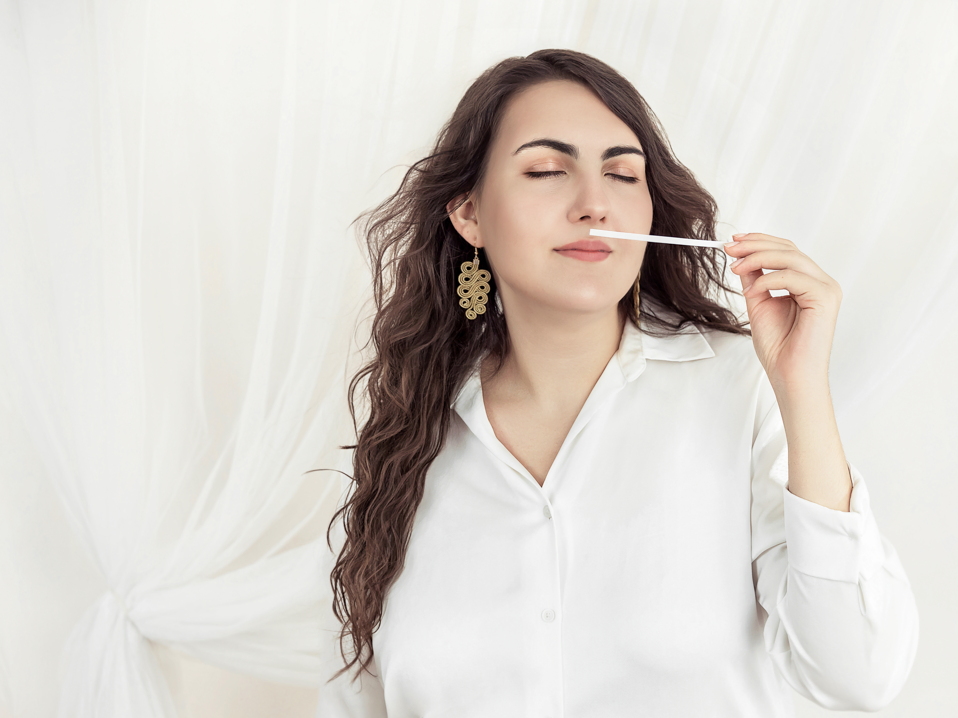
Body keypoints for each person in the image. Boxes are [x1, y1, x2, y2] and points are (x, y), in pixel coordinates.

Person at [318, 48, 918, 717]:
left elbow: (856, 674)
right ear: (469, 215)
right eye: (547, 170)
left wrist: (802, 388)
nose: (594, 203)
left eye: (623, 175)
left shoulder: (741, 392)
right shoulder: (405, 433)